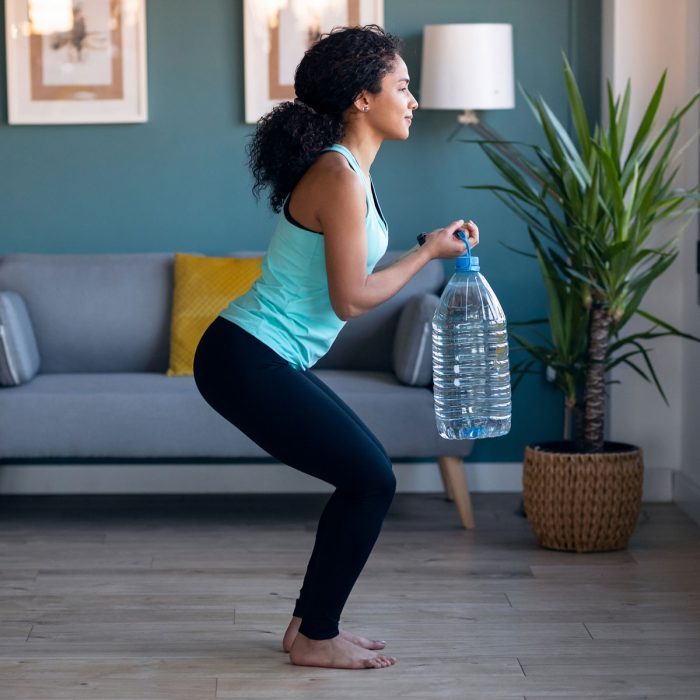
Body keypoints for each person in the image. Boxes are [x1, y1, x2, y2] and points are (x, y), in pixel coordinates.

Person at [192, 24, 479, 671]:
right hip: (246, 355)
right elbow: (351, 298)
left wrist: (432, 245)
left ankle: (306, 630)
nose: (413, 99)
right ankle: (317, 633)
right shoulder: (339, 176)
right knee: (371, 479)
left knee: (366, 474)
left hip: (259, 355)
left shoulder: (348, 172)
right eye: (402, 87)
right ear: (361, 98)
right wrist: (428, 251)